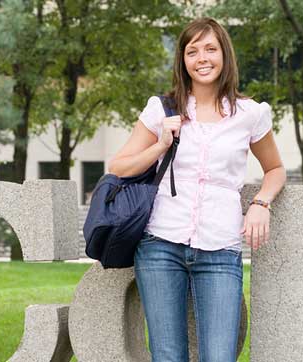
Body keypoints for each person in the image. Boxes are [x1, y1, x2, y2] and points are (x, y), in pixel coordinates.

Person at [107, 17, 286, 362]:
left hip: (220, 249)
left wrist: (262, 202)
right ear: (183, 60)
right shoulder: (162, 109)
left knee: (219, 356)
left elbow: (275, 169)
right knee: (167, 355)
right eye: (193, 51)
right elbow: (119, 167)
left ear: (224, 55)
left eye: (210, 49)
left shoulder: (249, 114)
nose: (202, 58)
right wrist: (160, 145)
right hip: (160, 244)